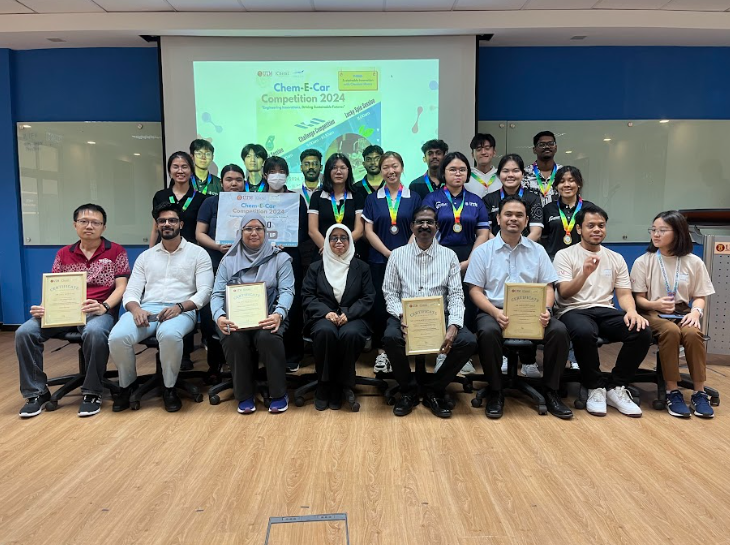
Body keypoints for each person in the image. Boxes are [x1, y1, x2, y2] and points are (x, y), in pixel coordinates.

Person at [15, 204, 130, 418]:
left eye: (95, 222)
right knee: (25, 332)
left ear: (103, 227)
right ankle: (36, 393)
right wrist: (44, 307)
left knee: (95, 332)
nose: (89, 226)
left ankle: (92, 392)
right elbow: (54, 285)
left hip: (98, 311)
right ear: (75, 225)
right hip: (63, 312)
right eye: (83, 221)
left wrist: (104, 306)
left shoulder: (116, 251)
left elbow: (122, 286)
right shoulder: (64, 253)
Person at [464, 196, 573, 419]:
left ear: (526, 221)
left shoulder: (538, 251)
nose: (513, 219)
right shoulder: (483, 252)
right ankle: (496, 391)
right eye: (508, 214)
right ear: (498, 218)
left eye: (519, 215)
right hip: (494, 311)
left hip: (533, 313)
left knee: (559, 331)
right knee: (487, 332)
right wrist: (495, 312)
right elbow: (475, 290)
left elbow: (549, 286)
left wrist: (547, 310)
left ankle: (551, 390)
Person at [109, 202, 213, 413]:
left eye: (172, 220)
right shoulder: (146, 257)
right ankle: (127, 386)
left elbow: (205, 291)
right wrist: (135, 309)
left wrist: (180, 307)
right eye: (162, 221)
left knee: (169, 335)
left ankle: (169, 388)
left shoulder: (198, 254)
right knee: (117, 337)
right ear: (157, 225)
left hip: (182, 310)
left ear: (181, 224)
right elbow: (131, 291)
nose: (167, 224)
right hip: (147, 309)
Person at [554, 204, 652, 418]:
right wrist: (584, 273)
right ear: (579, 229)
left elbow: (624, 293)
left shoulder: (615, 257)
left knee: (641, 330)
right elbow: (564, 293)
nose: (597, 229)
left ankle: (616, 387)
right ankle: (595, 386)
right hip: (574, 309)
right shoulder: (565, 255)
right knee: (583, 331)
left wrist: (632, 311)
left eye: (601, 225)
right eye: (591, 226)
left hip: (605, 309)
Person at [382, 206, 477, 419]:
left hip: (440, 316)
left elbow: (456, 295)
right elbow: (390, 293)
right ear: (412, 226)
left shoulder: (449, 256)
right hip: (405, 315)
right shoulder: (397, 255)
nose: (424, 226)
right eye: (420, 222)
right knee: (390, 337)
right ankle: (408, 390)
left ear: (437, 226)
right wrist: (401, 315)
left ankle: (435, 388)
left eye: (429, 222)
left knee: (467, 341)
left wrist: (454, 326)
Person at [631, 210, 716, 418]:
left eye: (662, 230)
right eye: (653, 230)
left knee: (692, 333)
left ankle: (699, 392)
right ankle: (672, 391)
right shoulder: (644, 261)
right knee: (670, 331)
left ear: (678, 233)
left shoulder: (693, 262)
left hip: (682, 311)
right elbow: (638, 299)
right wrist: (655, 303)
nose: (656, 234)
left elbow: (700, 296)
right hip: (651, 311)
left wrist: (696, 312)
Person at [212, 212, 295, 414]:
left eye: (258, 228)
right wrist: (219, 317)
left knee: (268, 337)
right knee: (234, 338)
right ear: (241, 232)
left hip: (270, 316)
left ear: (266, 232)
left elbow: (287, 291)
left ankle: (278, 394)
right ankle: (244, 395)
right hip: (234, 318)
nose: (254, 233)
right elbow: (216, 294)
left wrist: (279, 314)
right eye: (248, 229)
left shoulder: (280, 258)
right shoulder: (228, 261)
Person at [302, 224, 375, 410]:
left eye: (344, 237)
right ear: (327, 242)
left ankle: (343, 384)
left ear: (350, 241)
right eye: (334, 238)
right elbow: (307, 296)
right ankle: (324, 384)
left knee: (350, 334)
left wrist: (348, 314)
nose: (339, 241)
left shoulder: (362, 267)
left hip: (354, 317)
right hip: (322, 316)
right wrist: (325, 312)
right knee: (325, 332)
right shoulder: (315, 267)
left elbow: (368, 297)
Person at [362, 152, 422, 373]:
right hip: (379, 260)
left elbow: (418, 227)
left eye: (394, 166)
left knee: (407, 304)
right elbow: (368, 231)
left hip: (409, 260)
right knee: (381, 306)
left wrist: (403, 253)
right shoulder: (372, 199)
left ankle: (408, 347)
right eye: (386, 167)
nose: (391, 171)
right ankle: (382, 352)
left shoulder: (414, 197)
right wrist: (389, 253)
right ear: (381, 170)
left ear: (402, 167)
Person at [423, 151, 490, 344]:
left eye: (462, 169)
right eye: (452, 169)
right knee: (441, 299)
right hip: (438, 255)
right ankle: (440, 344)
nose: (458, 173)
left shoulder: (476, 200)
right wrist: (439, 258)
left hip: (470, 256)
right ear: (444, 172)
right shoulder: (431, 199)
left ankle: (464, 347)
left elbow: (483, 233)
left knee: (467, 300)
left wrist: (469, 261)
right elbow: (425, 231)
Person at [195, 164, 245, 376]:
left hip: (244, 265)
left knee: (242, 309)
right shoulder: (210, 203)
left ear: (244, 183)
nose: (234, 184)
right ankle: (215, 363)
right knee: (212, 313)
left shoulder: (252, 202)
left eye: (238, 180)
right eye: (229, 179)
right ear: (221, 182)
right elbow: (199, 233)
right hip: (215, 262)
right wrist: (217, 246)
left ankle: (243, 363)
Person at [262, 156, 310, 370]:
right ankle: (265, 352)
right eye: (273, 171)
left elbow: (303, 230)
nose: (277, 175)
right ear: (265, 175)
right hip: (262, 258)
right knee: (264, 301)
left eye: (282, 171)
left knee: (291, 302)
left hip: (289, 256)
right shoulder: (256, 199)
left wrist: (286, 241)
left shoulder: (295, 199)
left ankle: (293, 354)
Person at [308, 153, 365, 254]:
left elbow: (359, 230)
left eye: (342, 168)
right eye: (334, 168)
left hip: (350, 252)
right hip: (324, 252)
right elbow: (312, 230)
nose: (338, 172)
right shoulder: (317, 196)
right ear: (328, 171)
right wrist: (328, 249)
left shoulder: (357, 197)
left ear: (348, 171)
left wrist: (343, 247)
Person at [150, 151, 206, 246]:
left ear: (191, 171)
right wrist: (151, 252)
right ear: (169, 171)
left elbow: (201, 233)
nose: (180, 171)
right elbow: (155, 229)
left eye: (184, 167)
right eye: (175, 167)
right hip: (164, 249)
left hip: (190, 250)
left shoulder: (201, 199)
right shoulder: (160, 196)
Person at [483, 154, 543, 242]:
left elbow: (536, 232)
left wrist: (521, 247)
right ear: (499, 174)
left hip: (526, 247)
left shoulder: (533, 198)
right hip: (496, 248)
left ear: (523, 174)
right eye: (505, 171)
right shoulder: (488, 199)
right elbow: (486, 231)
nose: (510, 175)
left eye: (515, 171)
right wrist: (499, 246)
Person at [542, 166, 594, 260]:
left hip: (582, 259)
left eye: (571, 180)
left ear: (579, 184)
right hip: (554, 260)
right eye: (562, 181)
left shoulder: (589, 208)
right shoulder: (548, 209)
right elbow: (543, 237)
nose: (566, 185)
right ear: (556, 186)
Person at [522, 131, 562, 207]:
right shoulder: (524, 174)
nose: (547, 147)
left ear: (556, 148)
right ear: (534, 149)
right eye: (542, 144)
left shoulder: (563, 173)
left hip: (559, 214)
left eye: (551, 144)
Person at [464, 133, 502, 198]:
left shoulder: (501, 176)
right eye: (479, 149)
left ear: (494, 152)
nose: (483, 152)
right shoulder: (465, 176)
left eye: (487, 148)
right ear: (472, 154)